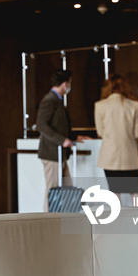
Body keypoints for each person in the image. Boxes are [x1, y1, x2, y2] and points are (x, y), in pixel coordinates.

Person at [36, 69, 87, 211]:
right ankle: (47, 223)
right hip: (52, 154)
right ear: (65, 84)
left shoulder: (57, 101)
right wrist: (62, 140)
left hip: (60, 154)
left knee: (67, 188)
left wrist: (73, 137)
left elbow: (59, 126)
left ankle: (65, 221)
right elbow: (41, 125)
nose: (70, 86)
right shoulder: (50, 100)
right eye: (69, 83)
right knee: (53, 190)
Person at [94, 73, 138, 203]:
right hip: (129, 155)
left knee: (114, 192)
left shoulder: (100, 106)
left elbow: (100, 132)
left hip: (110, 156)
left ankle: (118, 223)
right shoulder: (134, 105)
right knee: (135, 192)